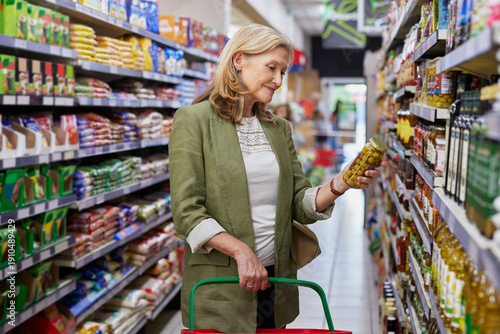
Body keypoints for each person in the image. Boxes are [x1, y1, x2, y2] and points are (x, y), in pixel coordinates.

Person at [169, 23, 381, 333]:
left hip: (274, 278)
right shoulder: (194, 121)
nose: (278, 80)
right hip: (223, 281)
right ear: (239, 59)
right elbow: (186, 212)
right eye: (272, 67)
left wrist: (342, 183)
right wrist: (241, 252)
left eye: (283, 71)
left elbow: (297, 200)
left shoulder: (278, 129)